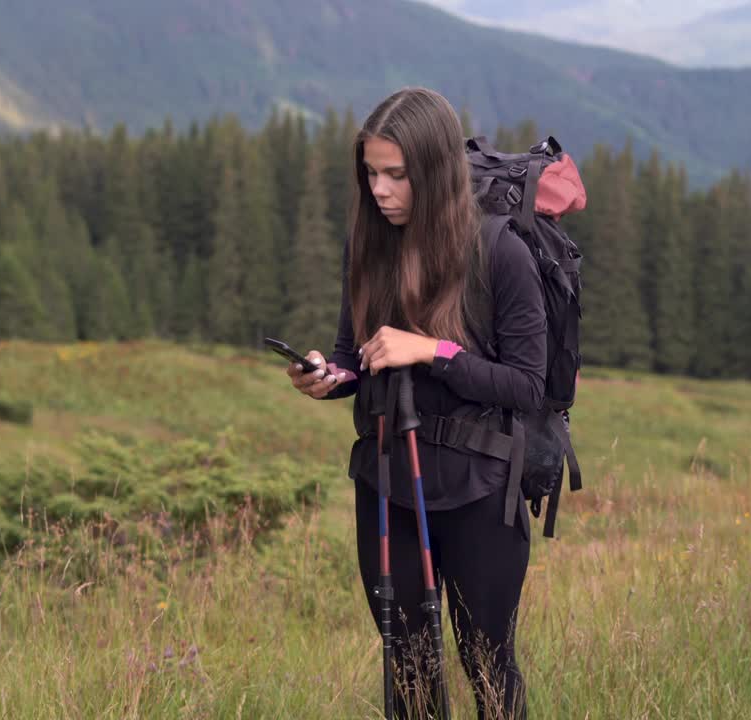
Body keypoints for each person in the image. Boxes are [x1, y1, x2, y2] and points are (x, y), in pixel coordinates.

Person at [286, 87, 546, 719]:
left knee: (487, 665)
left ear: (431, 171)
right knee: (406, 667)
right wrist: (329, 375)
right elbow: (355, 354)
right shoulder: (368, 247)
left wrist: (433, 351)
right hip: (386, 480)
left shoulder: (499, 253)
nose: (380, 190)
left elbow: (528, 387)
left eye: (396, 175)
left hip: (481, 488)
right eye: (371, 173)